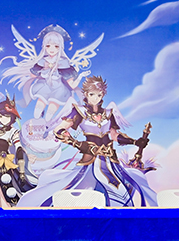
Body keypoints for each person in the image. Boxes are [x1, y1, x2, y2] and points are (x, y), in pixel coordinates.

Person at [16, 76, 157, 208]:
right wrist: (78, 144)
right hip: (90, 161)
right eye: (92, 94)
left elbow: (114, 135)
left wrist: (135, 142)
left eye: (99, 95)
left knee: (124, 188)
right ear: (86, 94)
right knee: (83, 190)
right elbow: (59, 130)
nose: (95, 98)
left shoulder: (108, 113)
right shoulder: (79, 112)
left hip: (110, 161)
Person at [0, 24, 102, 121]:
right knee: (36, 114)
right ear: (44, 46)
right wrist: (41, 71)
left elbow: (71, 84)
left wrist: (80, 77)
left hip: (59, 90)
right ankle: (38, 125)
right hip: (44, 87)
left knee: (49, 116)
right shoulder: (42, 61)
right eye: (48, 46)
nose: (52, 49)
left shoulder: (64, 63)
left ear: (60, 47)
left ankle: (48, 127)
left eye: (56, 46)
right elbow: (33, 75)